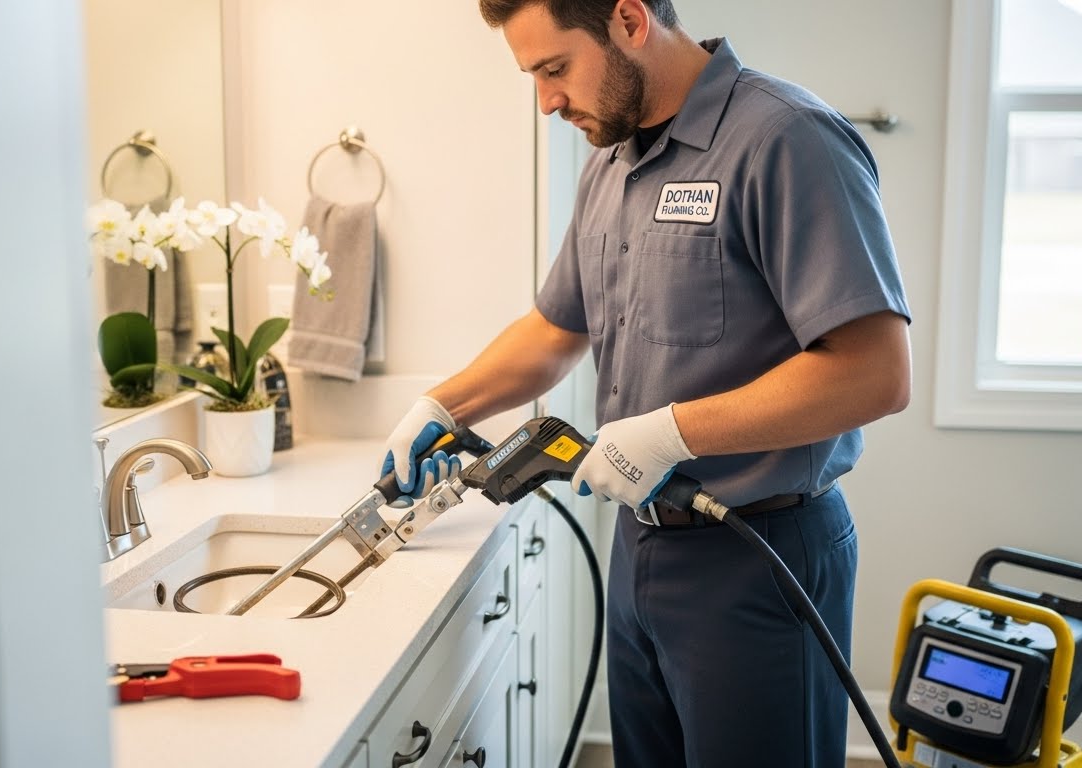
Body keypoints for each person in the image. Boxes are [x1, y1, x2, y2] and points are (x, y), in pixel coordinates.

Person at [379, 1, 912, 765]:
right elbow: (555, 329)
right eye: (532, 75)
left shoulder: (785, 138)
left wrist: (672, 432)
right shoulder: (609, 158)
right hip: (640, 547)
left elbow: (874, 373)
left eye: (554, 68)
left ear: (629, 18)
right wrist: (442, 403)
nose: (546, 101)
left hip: (758, 554)